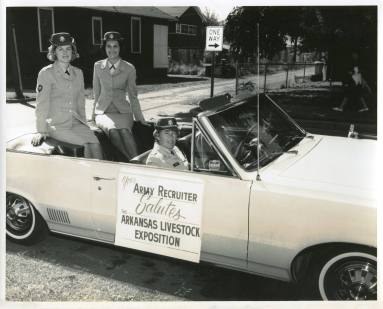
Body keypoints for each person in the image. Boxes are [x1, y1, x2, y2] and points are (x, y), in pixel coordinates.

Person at [31, 32, 103, 159]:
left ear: (73, 51)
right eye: (60, 49)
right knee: (85, 145)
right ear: (54, 52)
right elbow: (42, 105)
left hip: (76, 123)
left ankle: (103, 176)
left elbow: (80, 103)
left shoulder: (78, 73)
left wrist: (85, 123)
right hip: (57, 125)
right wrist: (41, 130)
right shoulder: (46, 73)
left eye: (68, 48)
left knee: (96, 143)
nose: (65, 52)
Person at [92, 31, 147, 160]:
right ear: (104, 48)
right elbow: (97, 92)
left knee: (125, 132)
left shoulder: (129, 68)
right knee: (113, 131)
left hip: (123, 112)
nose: (112, 50)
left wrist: (140, 118)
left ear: (120, 47)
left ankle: (138, 162)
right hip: (103, 112)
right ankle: (133, 163)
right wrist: (92, 115)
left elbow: (133, 96)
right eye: (108, 46)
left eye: (115, 46)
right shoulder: (98, 66)